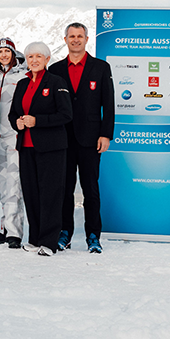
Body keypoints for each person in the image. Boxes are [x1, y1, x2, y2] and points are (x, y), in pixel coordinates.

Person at [48, 22, 115, 254]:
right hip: (62, 140)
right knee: (64, 190)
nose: (76, 40)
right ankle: (64, 233)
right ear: (65, 39)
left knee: (90, 190)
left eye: (80, 36)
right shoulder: (55, 70)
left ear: (87, 39)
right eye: (71, 36)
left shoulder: (101, 67)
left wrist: (106, 134)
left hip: (91, 139)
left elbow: (109, 104)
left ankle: (93, 235)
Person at [9, 41, 73, 256]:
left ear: (47, 59)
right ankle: (35, 238)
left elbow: (66, 115)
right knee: (32, 193)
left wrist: (37, 121)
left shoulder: (56, 82)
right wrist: (16, 123)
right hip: (26, 146)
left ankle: (49, 241)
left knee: (51, 194)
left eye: (39, 56)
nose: (34, 60)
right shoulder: (22, 84)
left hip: (52, 147)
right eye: (30, 57)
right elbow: (13, 114)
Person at [0, 37, 26, 248]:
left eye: (7, 51)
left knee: (14, 185)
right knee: (3, 186)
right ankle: (5, 227)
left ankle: (14, 232)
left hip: (14, 136)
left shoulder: (22, 76)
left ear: (13, 53)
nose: (4, 55)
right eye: (0, 52)